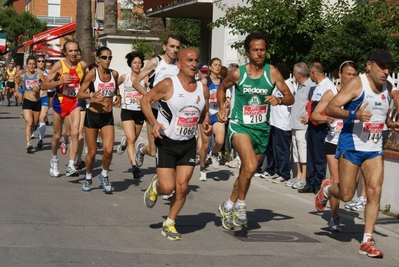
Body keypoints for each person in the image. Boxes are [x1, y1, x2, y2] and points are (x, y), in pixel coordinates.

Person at [315, 50, 399, 258]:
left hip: (374, 149)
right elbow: (332, 109)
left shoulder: (387, 87)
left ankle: (366, 240)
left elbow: (380, 114)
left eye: (389, 67)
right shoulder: (356, 84)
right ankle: (327, 189)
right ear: (369, 65)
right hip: (351, 146)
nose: (386, 71)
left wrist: (389, 123)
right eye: (382, 66)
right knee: (346, 194)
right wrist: (355, 114)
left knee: (375, 190)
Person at [215, 32, 294, 230]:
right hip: (240, 126)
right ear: (248, 52)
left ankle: (228, 205)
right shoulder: (238, 74)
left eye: (262, 50)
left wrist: (280, 100)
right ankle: (241, 205)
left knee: (246, 171)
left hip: (261, 129)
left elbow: (290, 97)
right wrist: (222, 108)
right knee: (250, 166)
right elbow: (221, 88)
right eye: (255, 50)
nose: (259, 53)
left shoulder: (272, 72)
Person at [141, 48, 212, 240]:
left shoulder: (202, 88)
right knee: (167, 188)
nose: (193, 64)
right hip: (167, 143)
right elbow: (145, 101)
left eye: (196, 60)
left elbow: (204, 111)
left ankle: (170, 223)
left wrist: (206, 124)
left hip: (188, 143)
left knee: (182, 188)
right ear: (179, 64)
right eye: (189, 60)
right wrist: (154, 123)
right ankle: (157, 186)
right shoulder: (167, 85)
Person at [311, 60, 357, 232]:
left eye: (354, 75)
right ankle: (335, 218)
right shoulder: (331, 93)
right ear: (340, 75)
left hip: (351, 143)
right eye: (348, 74)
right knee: (338, 180)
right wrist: (325, 118)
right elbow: (314, 115)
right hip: (333, 142)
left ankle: (327, 189)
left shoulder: (358, 95)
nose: (351, 77)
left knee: (350, 186)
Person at [77, 46, 120, 193]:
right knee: (92, 152)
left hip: (107, 116)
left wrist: (118, 97)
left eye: (110, 58)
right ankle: (88, 177)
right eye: (104, 57)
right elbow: (79, 94)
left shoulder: (114, 74)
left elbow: (116, 90)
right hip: (93, 115)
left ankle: (104, 175)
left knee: (108, 151)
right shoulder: (91, 74)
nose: (107, 60)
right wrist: (91, 96)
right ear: (97, 59)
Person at [41, 40, 87, 178]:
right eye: (70, 51)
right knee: (57, 135)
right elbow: (44, 85)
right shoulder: (59, 66)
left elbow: (89, 79)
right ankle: (54, 159)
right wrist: (60, 81)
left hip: (75, 102)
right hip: (60, 102)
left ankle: (71, 164)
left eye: (76, 50)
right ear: (65, 52)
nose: (73, 53)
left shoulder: (82, 65)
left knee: (75, 133)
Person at [133, 35, 180, 168]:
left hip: (171, 111)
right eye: (172, 46)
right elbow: (136, 82)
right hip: (153, 110)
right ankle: (142, 149)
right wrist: (149, 96)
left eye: (177, 47)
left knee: (168, 148)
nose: (175, 50)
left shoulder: (179, 64)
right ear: (165, 47)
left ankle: (164, 180)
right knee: (153, 151)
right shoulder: (156, 62)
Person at [298, 62, 334, 194]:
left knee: (319, 156)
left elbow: (327, 107)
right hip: (312, 125)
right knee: (311, 155)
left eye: (310, 74)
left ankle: (319, 182)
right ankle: (310, 182)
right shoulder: (316, 87)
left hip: (321, 126)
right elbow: (313, 106)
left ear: (313, 73)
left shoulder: (328, 86)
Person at [117, 51, 148, 179]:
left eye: (139, 63)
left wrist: (144, 98)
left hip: (140, 112)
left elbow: (150, 91)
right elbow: (114, 85)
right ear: (130, 64)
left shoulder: (145, 78)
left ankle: (124, 142)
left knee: (133, 139)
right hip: (127, 110)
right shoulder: (125, 77)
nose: (137, 65)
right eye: (134, 62)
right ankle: (134, 166)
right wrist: (117, 95)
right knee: (131, 139)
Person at [285, 62, 314, 189]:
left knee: (303, 151)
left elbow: (314, 103)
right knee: (296, 151)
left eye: (294, 72)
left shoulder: (310, 86)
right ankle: (298, 175)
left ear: (298, 73)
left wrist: (309, 115)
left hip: (303, 125)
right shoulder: (301, 86)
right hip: (295, 124)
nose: (294, 75)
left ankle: (303, 178)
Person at [199, 57, 225, 181]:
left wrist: (227, 104)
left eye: (219, 65)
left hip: (217, 114)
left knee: (219, 141)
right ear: (210, 67)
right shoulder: (205, 81)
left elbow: (227, 98)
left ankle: (214, 154)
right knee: (205, 144)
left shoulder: (224, 82)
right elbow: (199, 98)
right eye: (215, 65)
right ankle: (203, 168)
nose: (218, 67)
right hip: (205, 114)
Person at [16, 56, 43, 153]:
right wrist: (17, 91)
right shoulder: (23, 76)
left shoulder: (39, 74)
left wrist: (39, 86)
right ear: (27, 65)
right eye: (30, 64)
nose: (31, 66)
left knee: (35, 123)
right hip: (27, 101)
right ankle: (28, 143)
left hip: (37, 102)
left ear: (35, 65)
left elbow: (45, 83)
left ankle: (30, 134)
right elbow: (17, 81)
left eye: (33, 64)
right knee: (29, 122)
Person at [36, 55, 48, 148]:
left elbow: (49, 84)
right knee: (34, 121)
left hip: (44, 97)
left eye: (42, 61)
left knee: (42, 118)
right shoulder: (32, 72)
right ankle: (34, 128)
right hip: (34, 99)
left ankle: (41, 139)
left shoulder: (48, 72)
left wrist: (43, 79)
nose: (41, 63)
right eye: (39, 61)